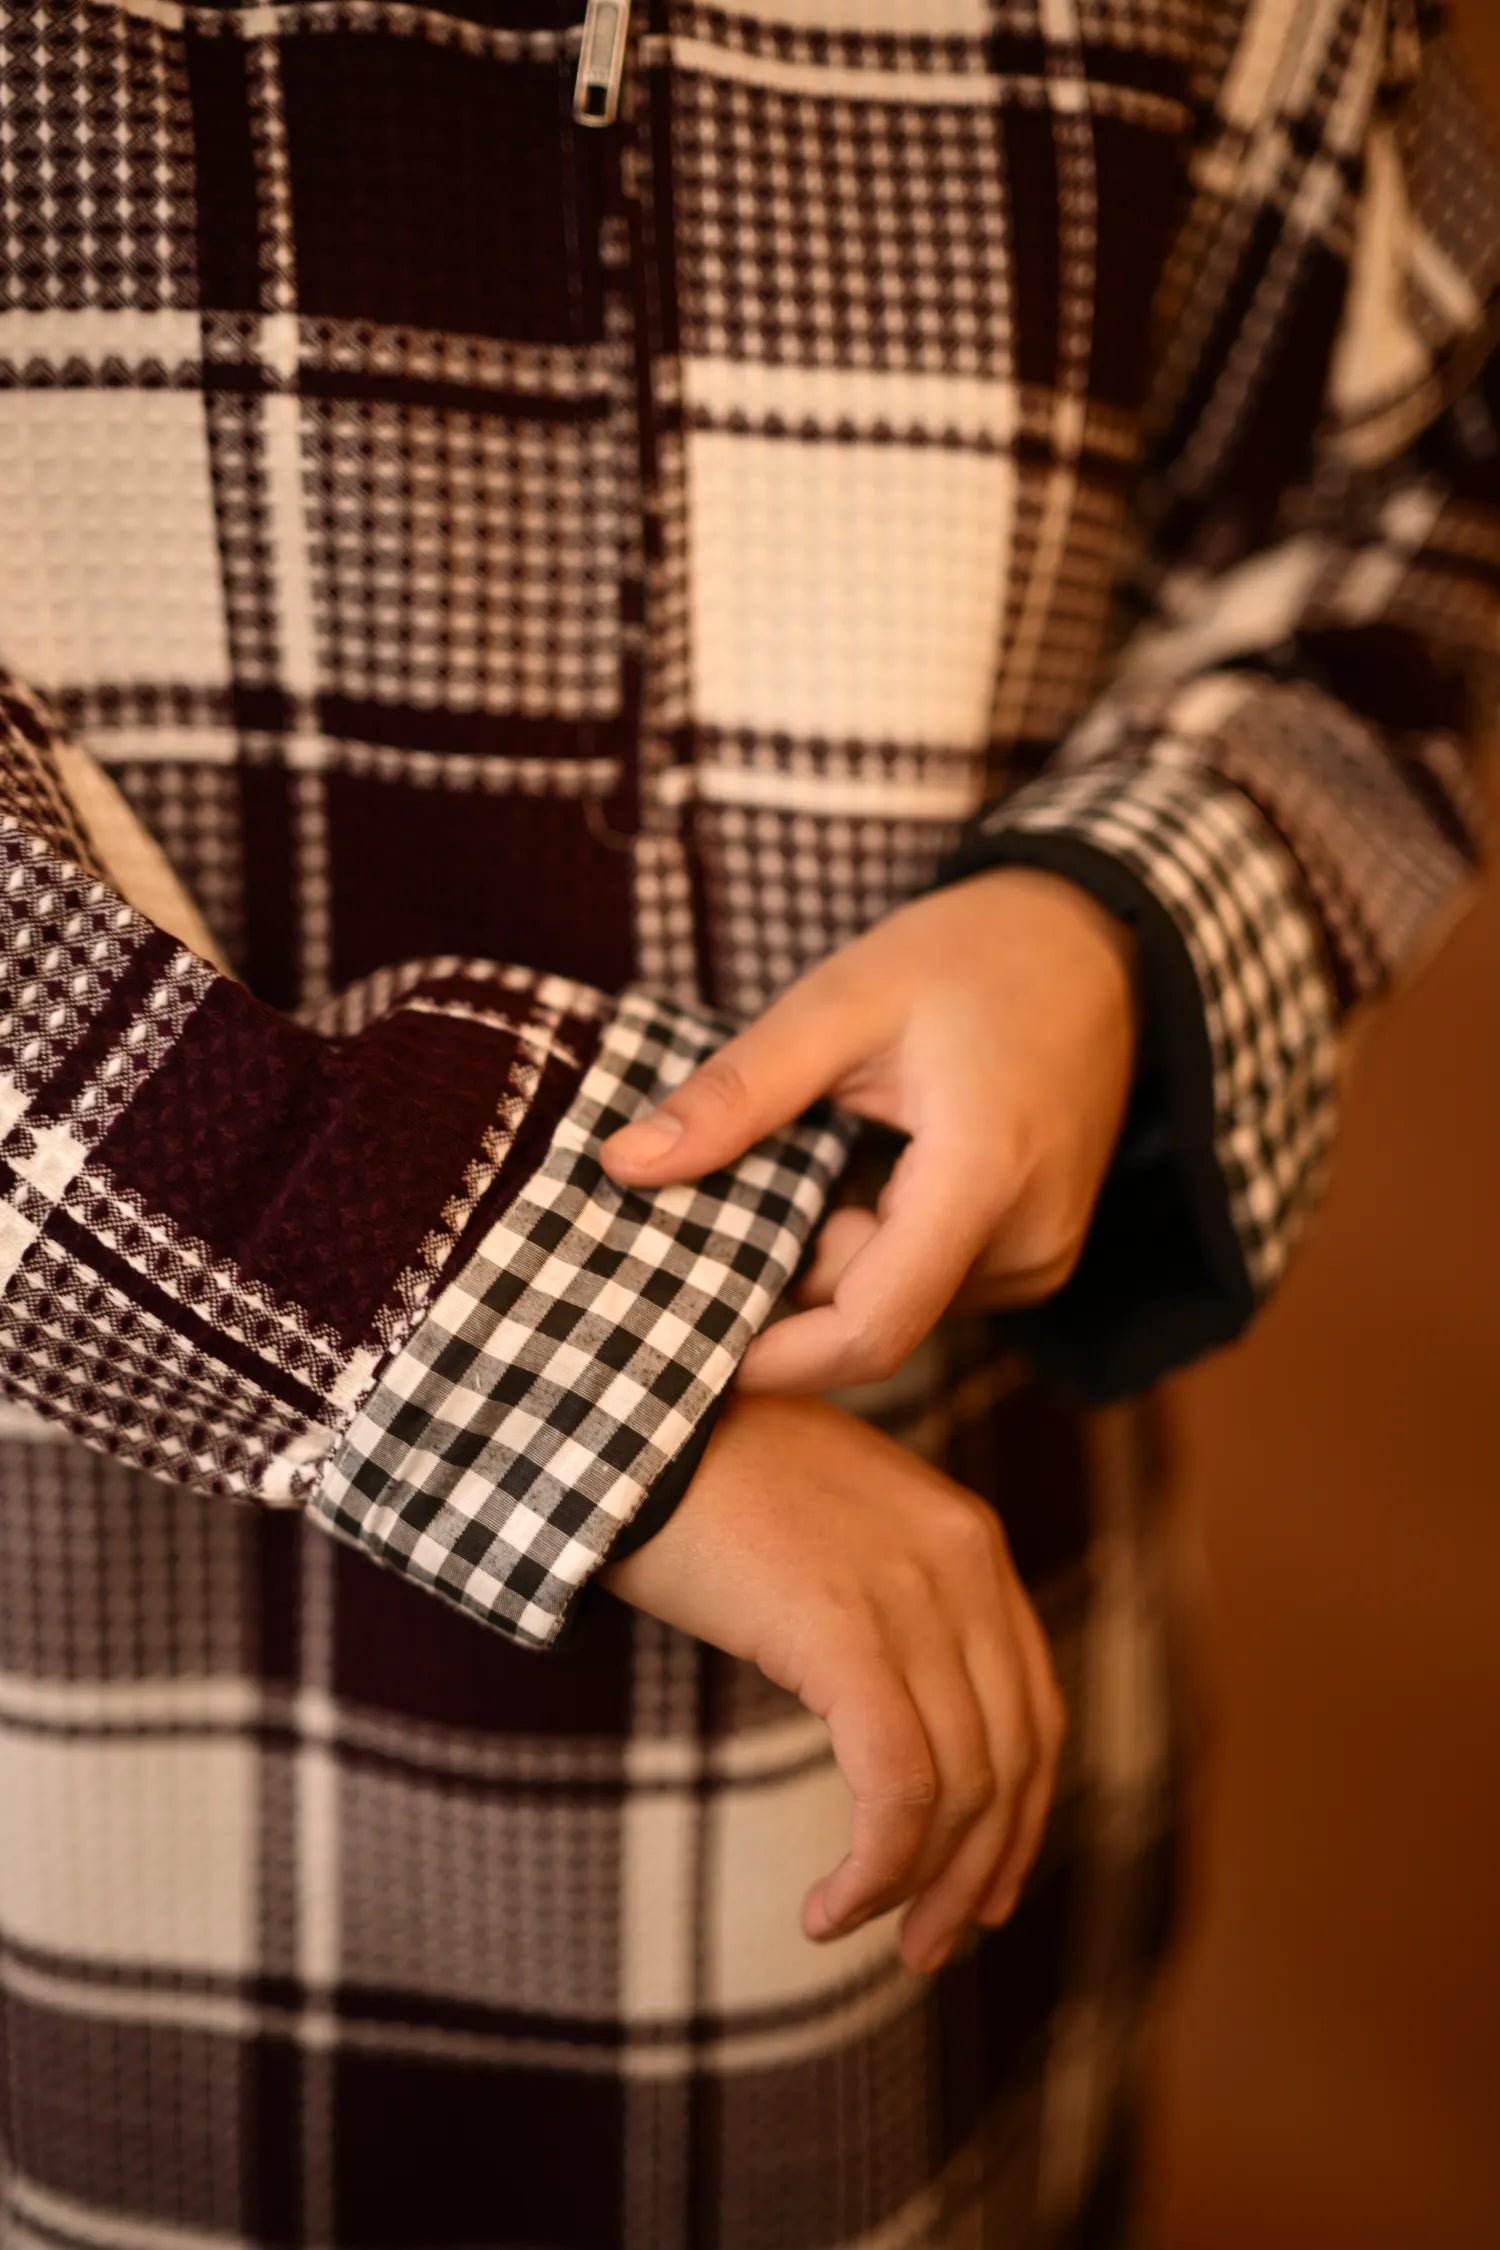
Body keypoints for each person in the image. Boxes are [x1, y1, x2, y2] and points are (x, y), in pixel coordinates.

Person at [0, 0, 1494, 2242]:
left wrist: (1114, 921)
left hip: (932, 1791)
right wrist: (515, 1360)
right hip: (105, 1799)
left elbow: (1414, 491)